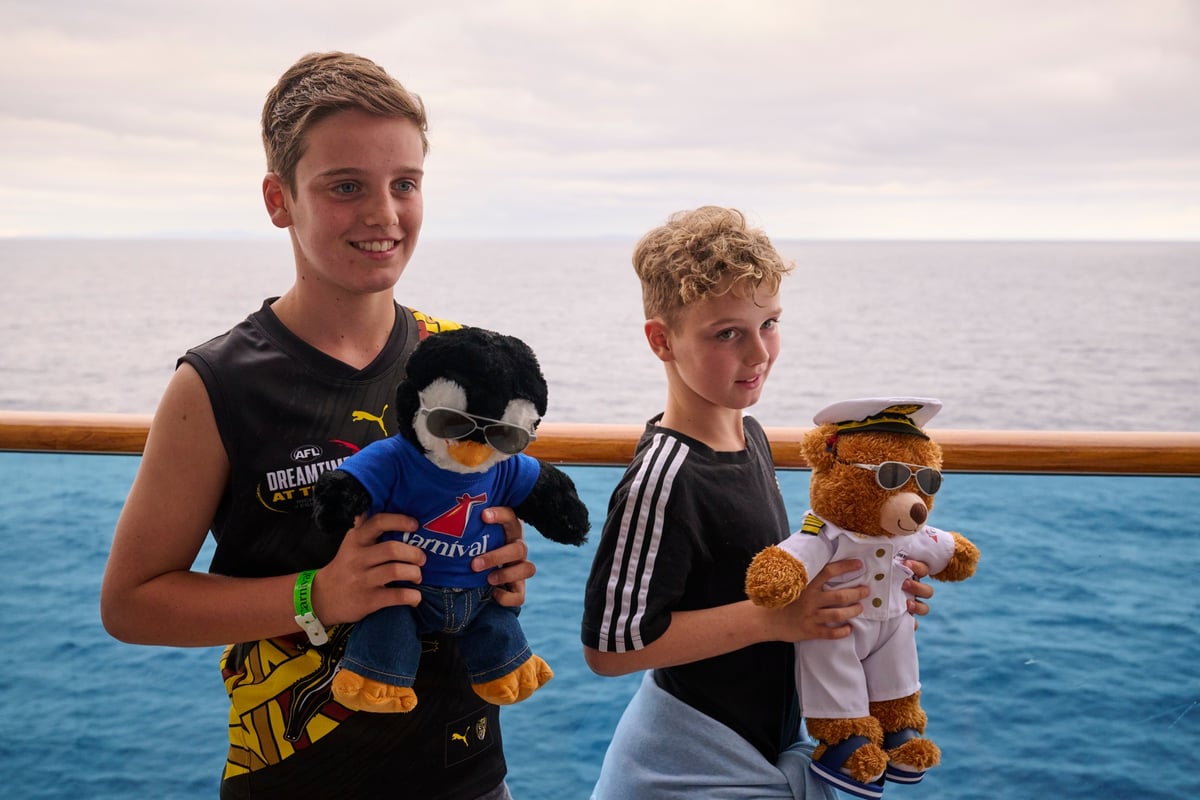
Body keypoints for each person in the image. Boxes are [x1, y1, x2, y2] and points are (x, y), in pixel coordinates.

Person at [100, 51, 534, 800]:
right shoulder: (218, 384)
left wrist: (503, 564)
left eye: (405, 184)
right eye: (345, 187)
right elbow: (132, 602)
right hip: (296, 773)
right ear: (280, 200)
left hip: (465, 771)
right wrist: (317, 596)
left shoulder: (461, 361)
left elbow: (485, 520)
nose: (384, 214)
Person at [580, 206, 935, 799]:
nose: (758, 352)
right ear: (661, 340)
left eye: (768, 323)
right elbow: (610, 647)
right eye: (727, 333)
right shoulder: (665, 478)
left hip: (760, 743)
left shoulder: (752, 437)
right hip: (691, 762)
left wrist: (879, 574)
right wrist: (775, 620)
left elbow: (783, 560)